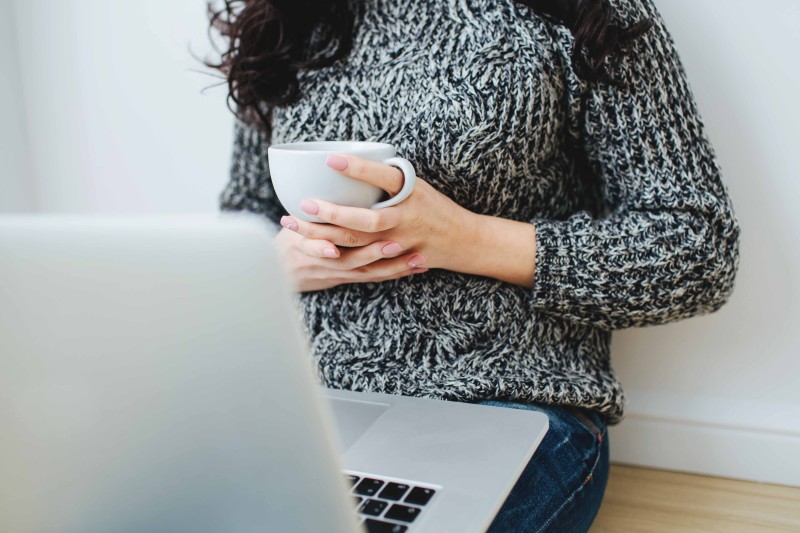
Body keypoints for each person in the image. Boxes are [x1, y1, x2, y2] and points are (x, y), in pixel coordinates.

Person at [208, 0, 740, 530]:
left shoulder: (587, 13)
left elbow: (698, 247)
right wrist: (281, 265)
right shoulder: (290, 18)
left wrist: (467, 239)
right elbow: (246, 221)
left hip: (505, 407)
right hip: (300, 402)